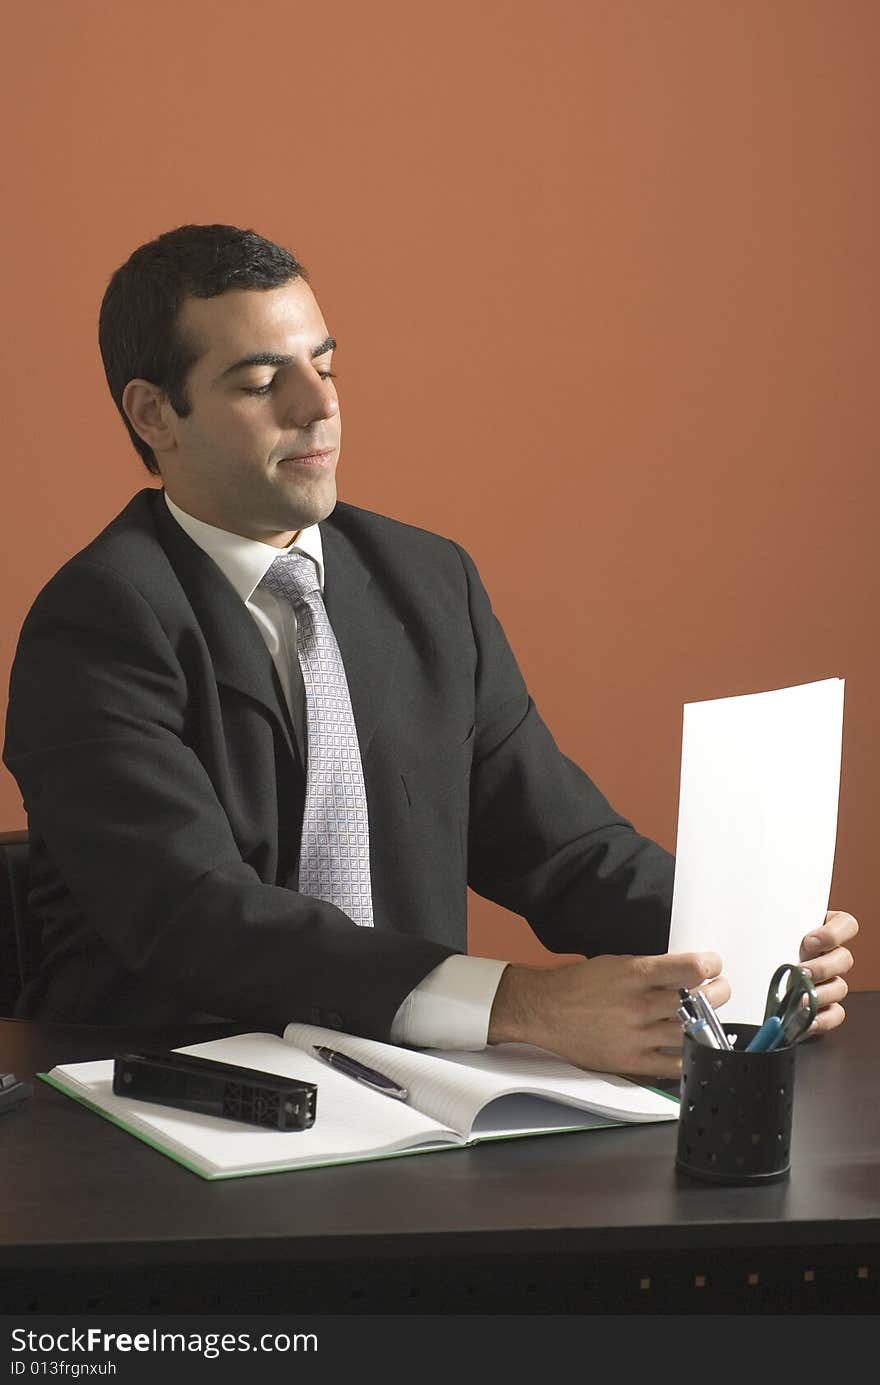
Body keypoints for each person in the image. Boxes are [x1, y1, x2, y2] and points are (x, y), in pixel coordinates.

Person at [2, 224, 857, 1079]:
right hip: (168, 1103)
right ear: (155, 414)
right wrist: (523, 1004)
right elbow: (196, 916)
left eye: (325, 366)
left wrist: (750, 941)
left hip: (413, 1094)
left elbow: (561, 850)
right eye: (263, 381)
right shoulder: (97, 621)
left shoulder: (428, 581)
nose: (318, 405)